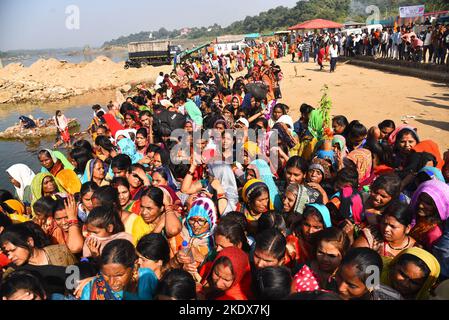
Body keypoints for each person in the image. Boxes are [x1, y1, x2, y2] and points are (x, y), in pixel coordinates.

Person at [80, 239, 158, 300]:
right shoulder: (91, 289)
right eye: (106, 274)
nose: (111, 282)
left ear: (134, 266)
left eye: (119, 275)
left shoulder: (146, 276)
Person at [335, 247, 402, 300]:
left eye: (351, 285)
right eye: (339, 276)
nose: (341, 288)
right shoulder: (327, 285)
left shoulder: (391, 298)